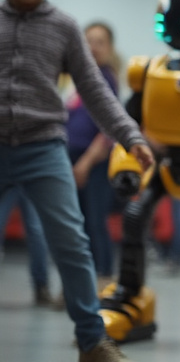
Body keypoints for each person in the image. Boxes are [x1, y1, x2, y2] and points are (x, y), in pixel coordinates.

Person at [0, 0, 153, 362]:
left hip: (44, 148)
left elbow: (94, 89)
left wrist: (130, 135)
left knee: (72, 243)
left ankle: (92, 345)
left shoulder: (64, 27)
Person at [66, 21, 120, 290]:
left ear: (110, 48)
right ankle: (81, 283)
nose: (93, 47)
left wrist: (85, 164)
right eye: (89, 41)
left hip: (94, 165)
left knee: (95, 222)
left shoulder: (105, 79)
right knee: (78, 225)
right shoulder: (79, 80)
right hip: (72, 161)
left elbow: (107, 131)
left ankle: (103, 279)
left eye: (100, 42)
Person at [0, 186, 53, 305]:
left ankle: (41, 285)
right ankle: (41, 286)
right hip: (29, 172)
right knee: (35, 229)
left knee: (36, 229)